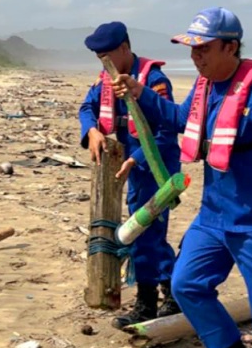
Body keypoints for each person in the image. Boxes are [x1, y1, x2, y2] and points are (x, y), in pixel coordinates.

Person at [111, 7, 252, 348]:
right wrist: (139, 92)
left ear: (231, 47)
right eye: (192, 50)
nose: (196, 57)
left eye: (204, 49)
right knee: (186, 285)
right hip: (213, 217)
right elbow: (181, 119)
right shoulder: (204, 86)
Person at [78, 21, 183, 329]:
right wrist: (92, 130)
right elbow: (87, 107)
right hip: (128, 170)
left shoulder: (154, 80)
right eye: (98, 57)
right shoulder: (104, 81)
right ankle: (164, 293)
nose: (103, 62)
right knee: (141, 233)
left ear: (124, 48)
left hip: (155, 169)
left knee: (147, 232)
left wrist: (136, 160)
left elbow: (166, 134)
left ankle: (154, 300)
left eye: (107, 55)